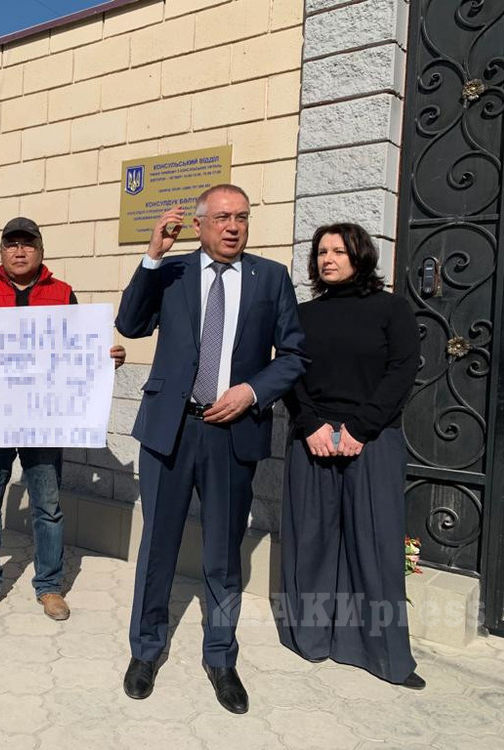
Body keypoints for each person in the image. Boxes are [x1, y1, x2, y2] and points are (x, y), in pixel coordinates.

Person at [116, 185, 306, 713]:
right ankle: (146, 650)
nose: (233, 227)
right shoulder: (172, 271)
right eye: (222, 217)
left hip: (232, 432)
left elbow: (294, 354)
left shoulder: (270, 277)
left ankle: (221, 658)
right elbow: (131, 324)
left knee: (224, 553)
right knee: (158, 548)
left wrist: (253, 391)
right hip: (170, 431)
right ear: (198, 224)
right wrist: (151, 257)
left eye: (241, 217)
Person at [0, 217, 125, 621]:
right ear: (1, 252)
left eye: (28, 244)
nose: (19, 251)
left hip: (44, 417)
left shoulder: (62, 293)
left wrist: (105, 358)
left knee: (48, 506)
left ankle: (49, 586)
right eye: (12, 244)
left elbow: (80, 348)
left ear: (41, 251)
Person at [277, 223, 425, 689]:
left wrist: (360, 428)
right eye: (322, 252)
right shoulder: (301, 314)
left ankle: (384, 656)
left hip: (373, 440)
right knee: (311, 542)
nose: (328, 259)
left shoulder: (391, 309)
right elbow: (289, 372)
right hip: (313, 439)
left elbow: (402, 371)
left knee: (375, 546)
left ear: (360, 256)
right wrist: (311, 425)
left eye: (339, 251)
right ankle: (310, 638)